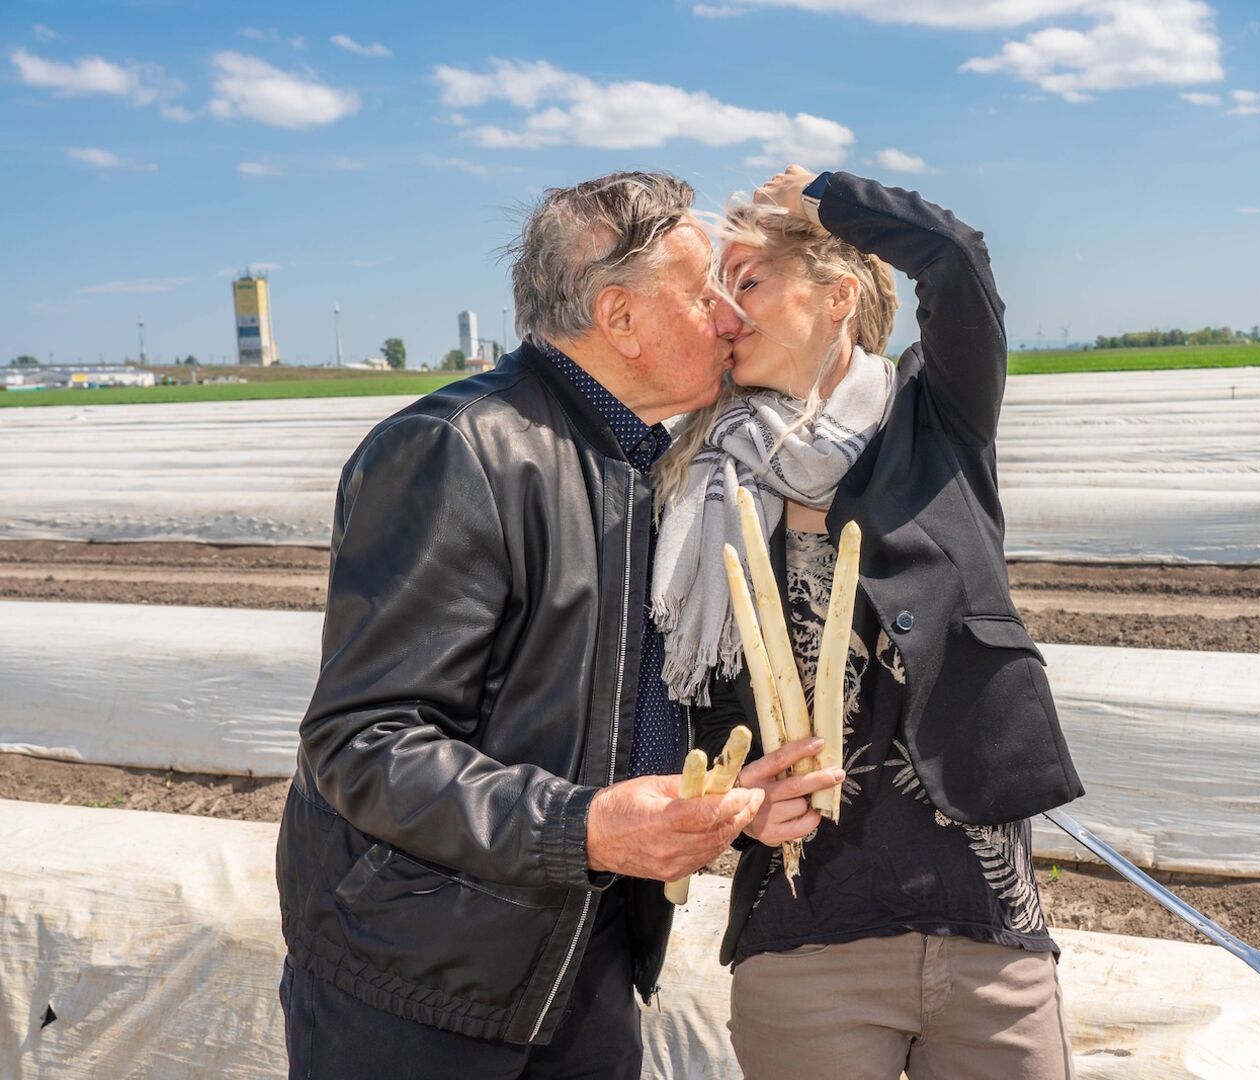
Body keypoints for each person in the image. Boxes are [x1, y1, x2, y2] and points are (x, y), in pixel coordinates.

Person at [273, 170, 839, 1079]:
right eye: (704, 297)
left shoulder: (652, 468)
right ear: (619, 318)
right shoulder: (459, 451)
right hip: (425, 991)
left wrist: (729, 801)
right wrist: (584, 829)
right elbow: (364, 742)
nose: (732, 319)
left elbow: (606, 707)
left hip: (583, 964)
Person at [651, 166, 1084, 1078]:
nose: (726, 310)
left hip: (983, 926)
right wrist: (733, 810)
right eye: (719, 290)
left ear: (838, 294)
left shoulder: (937, 421)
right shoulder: (701, 478)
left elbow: (958, 262)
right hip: (806, 934)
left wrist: (826, 195)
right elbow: (680, 698)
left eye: (750, 279)